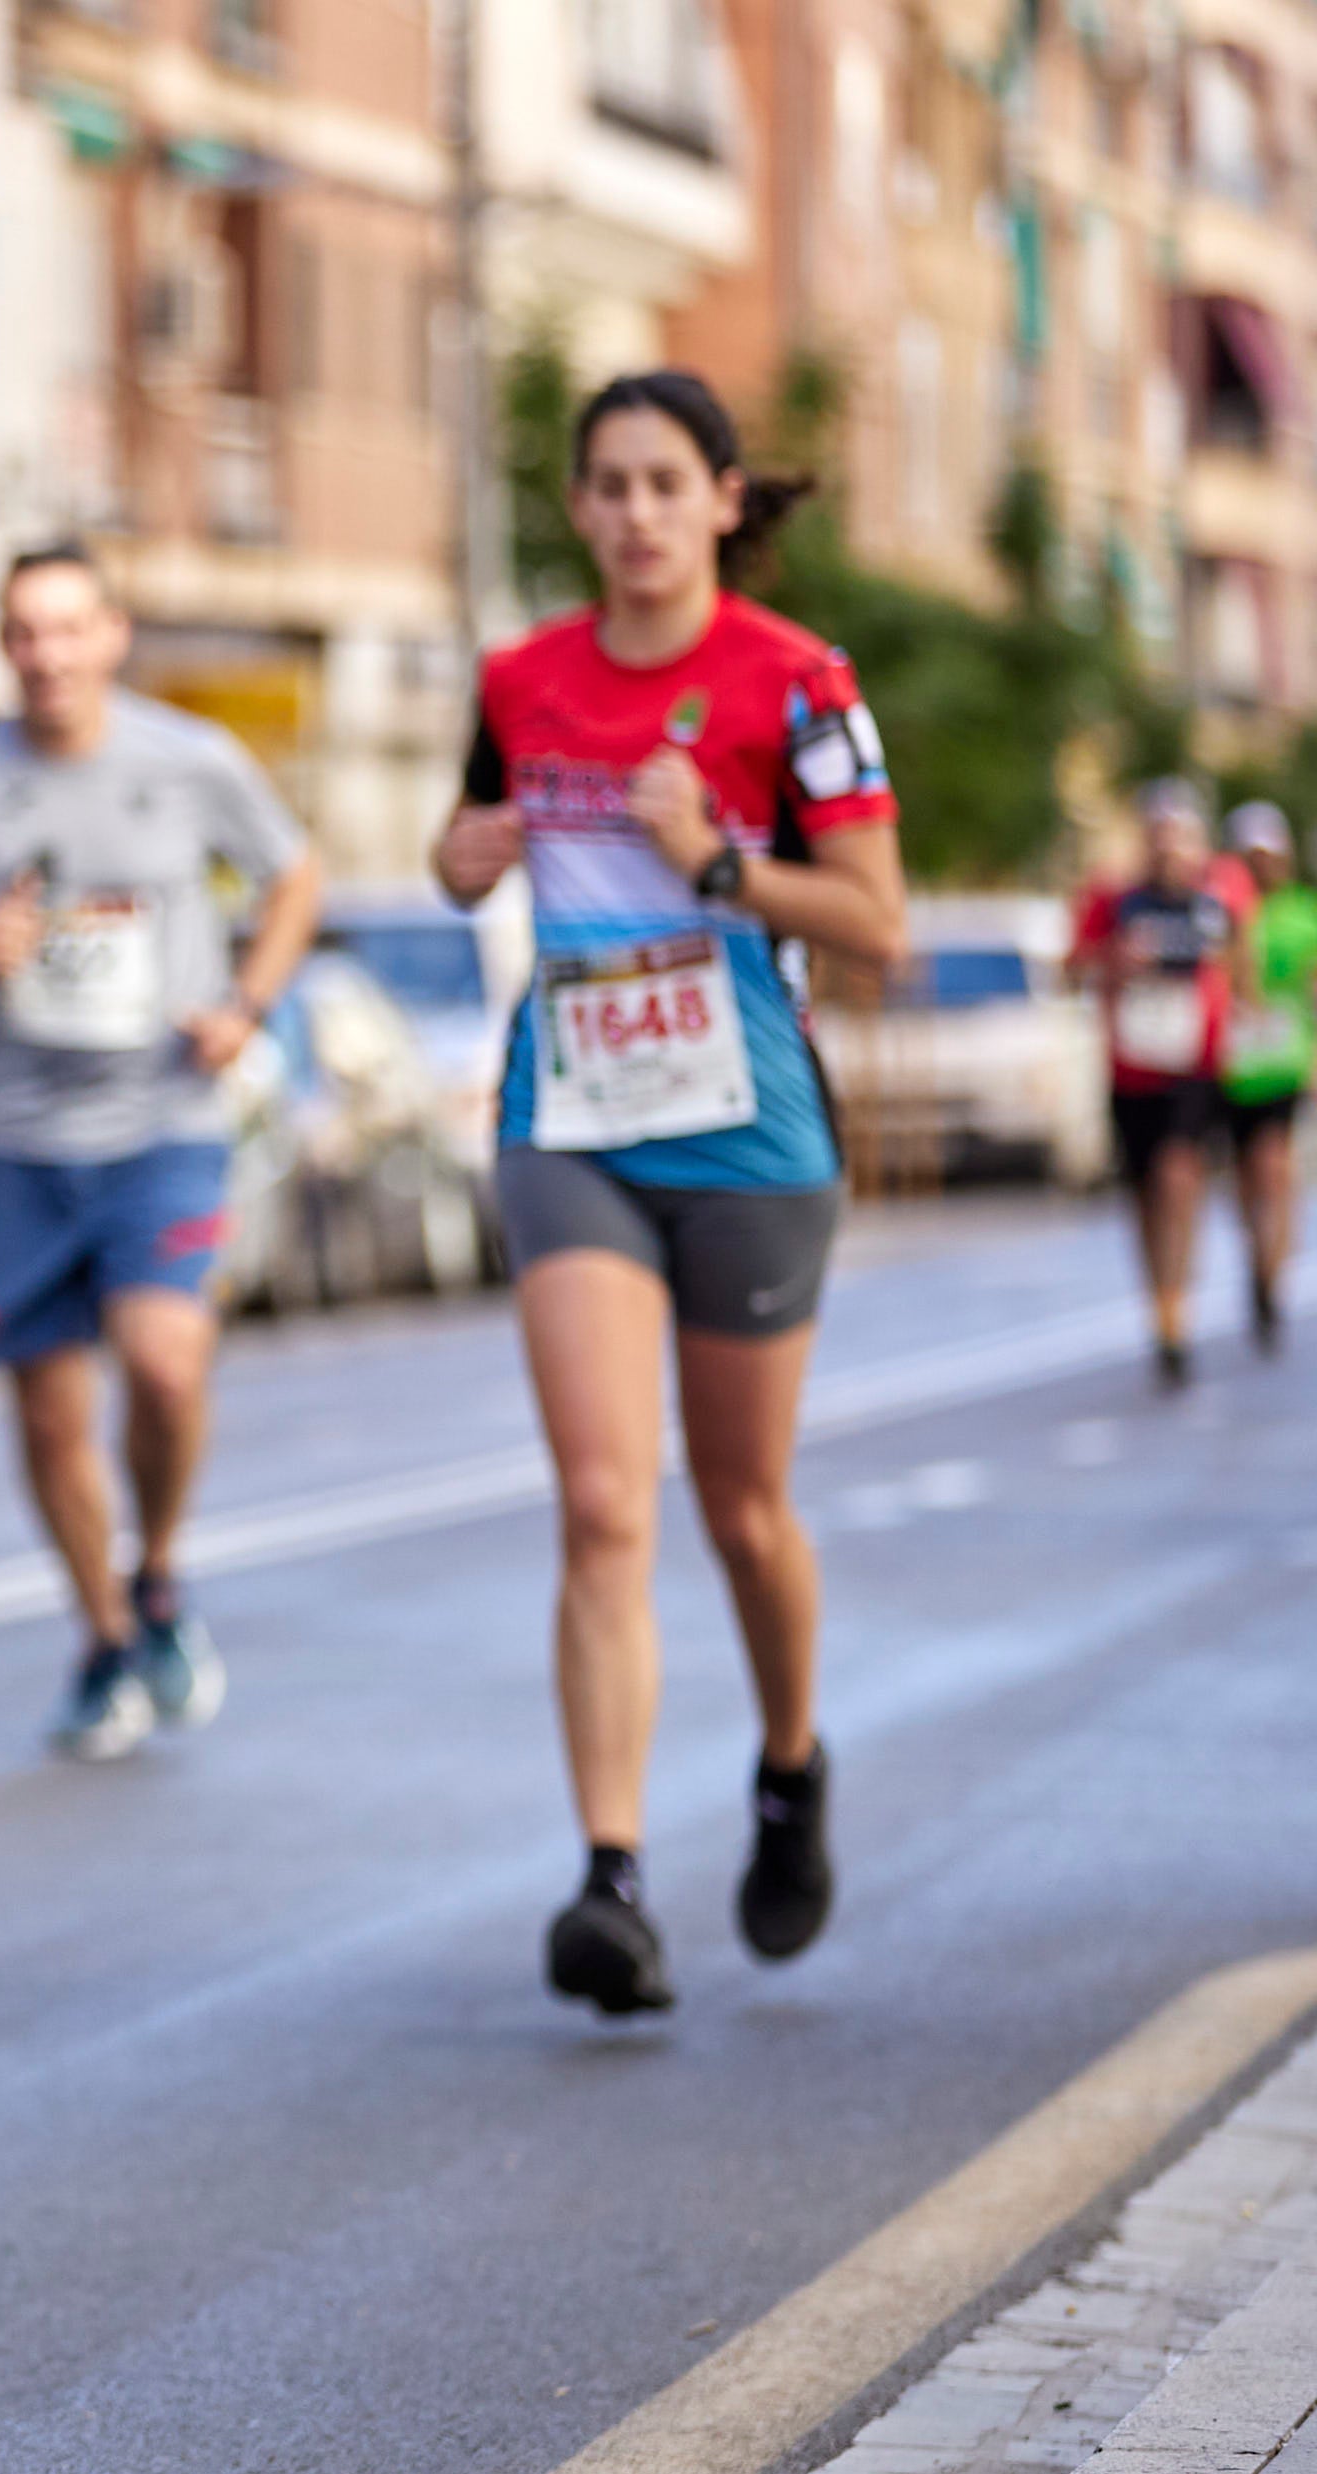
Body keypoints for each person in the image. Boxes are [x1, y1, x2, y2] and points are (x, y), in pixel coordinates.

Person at [432, 368, 907, 2017]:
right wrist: (459, 859)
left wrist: (718, 861)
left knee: (742, 1509)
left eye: (662, 483)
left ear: (721, 500)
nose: (632, 513)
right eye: (606, 485)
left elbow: (880, 925)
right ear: (578, 508)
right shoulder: (523, 676)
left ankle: (788, 1761)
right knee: (606, 1501)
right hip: (570, 1116)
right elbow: (469, 825)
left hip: (751, 1126)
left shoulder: (798, 681)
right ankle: (612, 1875)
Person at [0, 545, 324, 1759]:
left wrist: (245, 1006)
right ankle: (107, 1632)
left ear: (112, 636)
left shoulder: (185, 761)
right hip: (21, 1134)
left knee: (164, 1364)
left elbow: (294, 876)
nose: (46, 654)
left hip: (163, 1118)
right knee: (49, 1414)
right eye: (23, 631)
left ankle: (161, 1565)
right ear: (1, 644)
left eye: (68, 629)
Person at [1072, 778, 1240, 1390]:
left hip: (1195, 1065)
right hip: (1131, 1066)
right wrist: (1116, 959)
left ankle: (1180, 1309)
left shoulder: (1219, 892)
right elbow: (1074, 965)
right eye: (1159, 835)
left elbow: (1242, 962)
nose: (1170, 848)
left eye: (1180, 835)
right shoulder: (1114, 900)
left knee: (1179, 1178)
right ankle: (1161, 1307)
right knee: (1144, 1194)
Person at [1218, 799, 1309, 1351]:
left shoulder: (1304, 912)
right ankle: (1257, 1258)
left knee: (1273, 1167)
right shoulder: (1222, 907)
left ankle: (1272, 1280)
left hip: (1282, 1060)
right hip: (1229, 1065)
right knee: (1244, 1176)